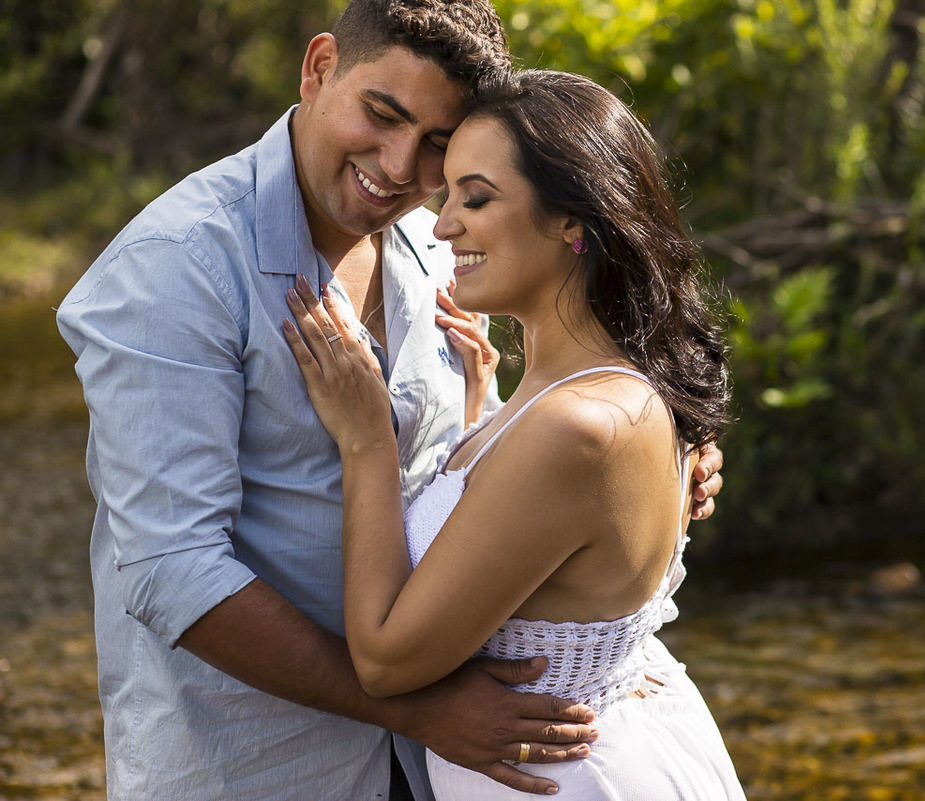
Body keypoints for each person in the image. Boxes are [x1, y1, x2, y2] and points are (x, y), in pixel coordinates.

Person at [56, 1, 725, 798]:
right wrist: (416, 707)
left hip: (453, 763)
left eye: (436, 143)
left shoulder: (437, 239)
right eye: (382, 113)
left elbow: (497, 453)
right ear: (318, 67)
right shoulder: (173, 269)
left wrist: (644, 467)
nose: (401, 167)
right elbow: (175, 573)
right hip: (264, 765)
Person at [282, 69, 746, 799]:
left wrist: (368, 438)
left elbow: (384, 660)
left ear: (573, 220)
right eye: (449, 195)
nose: (441, 224)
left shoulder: (581, 426)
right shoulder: (568, 391)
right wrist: (480, 415)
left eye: (476, 197)